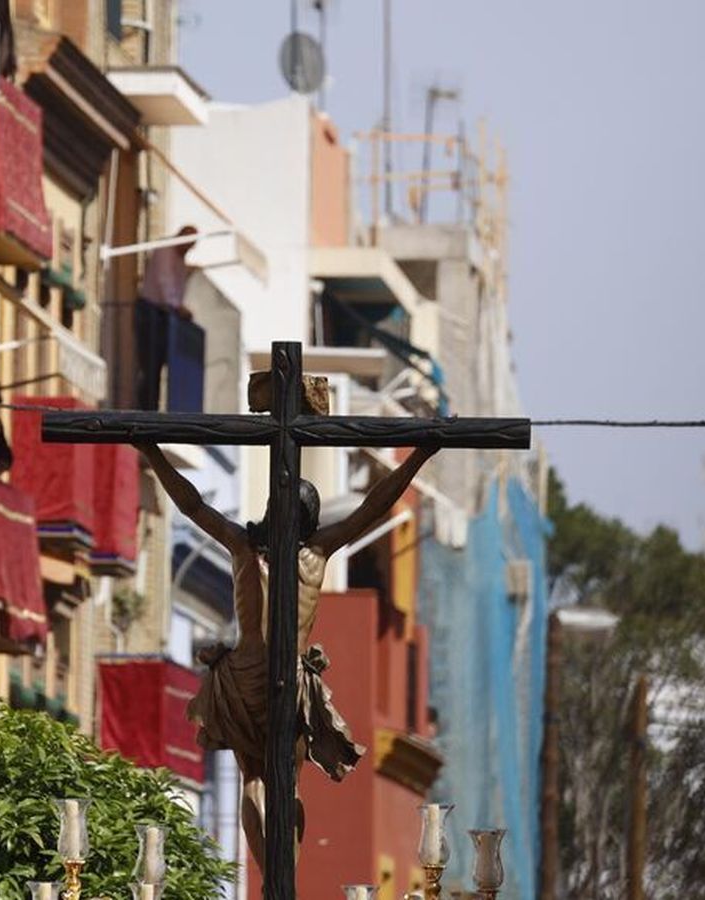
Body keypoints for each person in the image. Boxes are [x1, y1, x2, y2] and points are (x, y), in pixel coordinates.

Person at [136, 441, 438, 876]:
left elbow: (192, 504)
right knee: (288, 782)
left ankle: (271, 877)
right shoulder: (316, 555)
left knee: (252, 779)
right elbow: (375, 505)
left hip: (243, 675)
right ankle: (285, 879)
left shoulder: (242, 546)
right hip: (289, 678)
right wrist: (418, 458)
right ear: (310, 519)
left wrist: (152, 451)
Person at [134, 225, 200, 410]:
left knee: (161, 364)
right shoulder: (165, 250)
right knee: (150, 365)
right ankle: (147, 409)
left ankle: (154, 407)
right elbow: (165, 283)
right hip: (152, 312)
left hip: (165, 314)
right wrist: (178, 306)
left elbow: (175, 287)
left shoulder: (179, 259)